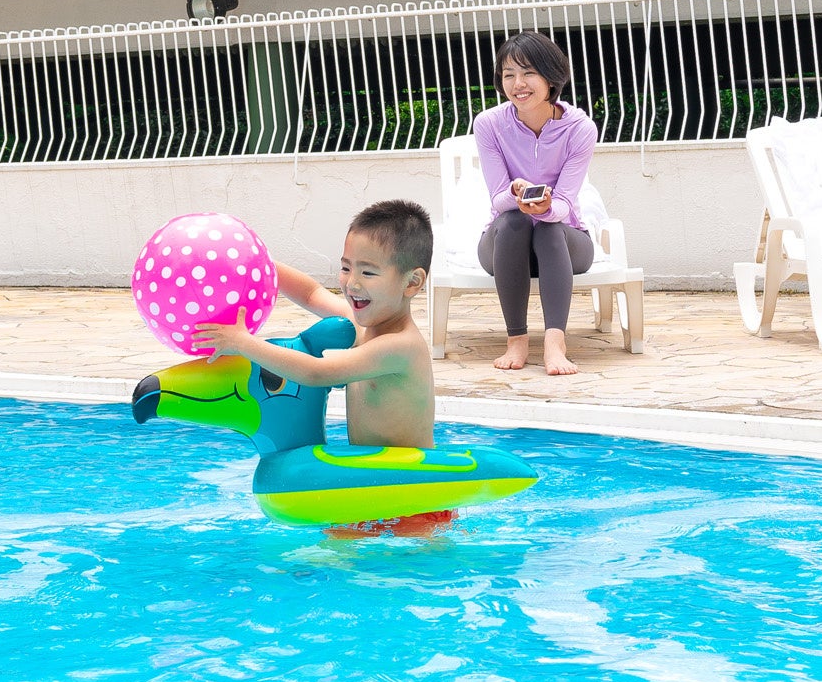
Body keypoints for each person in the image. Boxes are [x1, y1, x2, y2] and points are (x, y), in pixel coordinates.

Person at [198, 198, 437, 452]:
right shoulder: (363, 326)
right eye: (346, 267)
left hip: (412, 477)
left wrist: (244, 343)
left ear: (412, 282)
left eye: (367, 273)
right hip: (376, 470)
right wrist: (258, 264)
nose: (352, 283)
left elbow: (316, 372)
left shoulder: (401, 346)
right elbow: (311, 294)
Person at [474, 32, 598, 376]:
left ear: (550, 76)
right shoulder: (489, 124)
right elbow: (498, 200)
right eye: (508, 74)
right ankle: (517, 339)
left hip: (565, 243)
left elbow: (565, 204)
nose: (518, 84)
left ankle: (555, 343)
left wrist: (545, 208)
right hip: (503, 245)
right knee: (513, 221)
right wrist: (516, 194)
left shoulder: (580, 128)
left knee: (547, 227)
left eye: (528, 72)